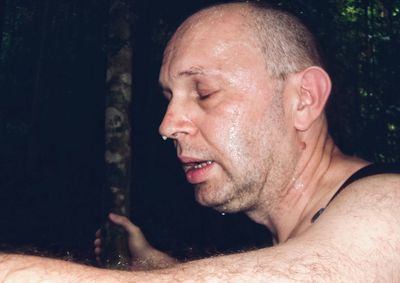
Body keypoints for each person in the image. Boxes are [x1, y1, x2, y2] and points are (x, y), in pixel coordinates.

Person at [1, 1, 400, 281]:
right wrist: (155, 261)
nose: (167, 125)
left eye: (204, 92)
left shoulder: (388, 208)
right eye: (168, 98)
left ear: (304, 99)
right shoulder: (294, 234)